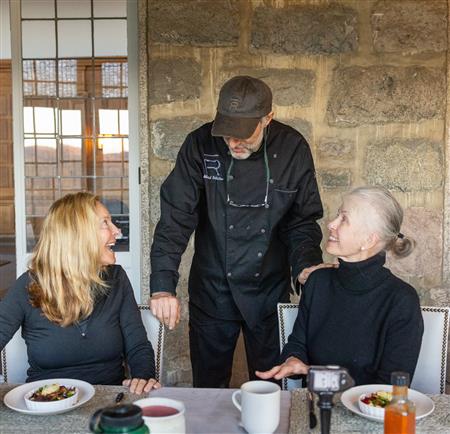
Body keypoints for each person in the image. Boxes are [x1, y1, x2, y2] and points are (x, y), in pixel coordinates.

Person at [150, 75, 331, 387]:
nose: (234, 141)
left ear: (267, 118)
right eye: (227, 132)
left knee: (271, 388)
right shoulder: (199, 144)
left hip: (268, 289)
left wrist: (305, 266)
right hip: (212, 289)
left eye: (244, 132)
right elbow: (175, 219)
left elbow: (301, 221)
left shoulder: (292, 148)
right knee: (208, 388)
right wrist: (162, 286)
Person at [256, 186, 424, 386]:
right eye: (337, 215)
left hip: (370, 414)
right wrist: (293, 360)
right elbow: (297, 344)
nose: (331, 224)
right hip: (316, 408)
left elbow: (391, 388)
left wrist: (314, 373)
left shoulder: (401, 300)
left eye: (343, 219)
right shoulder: (318, 282)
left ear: (369, 240)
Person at [0, 192, 159, 394]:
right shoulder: (29, 286)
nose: (117, 231)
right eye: (105, 223)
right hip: (46, 405)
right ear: (77, 235)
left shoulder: (117, 279)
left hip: (108, 400)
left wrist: (143, 378)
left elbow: (138, 346)